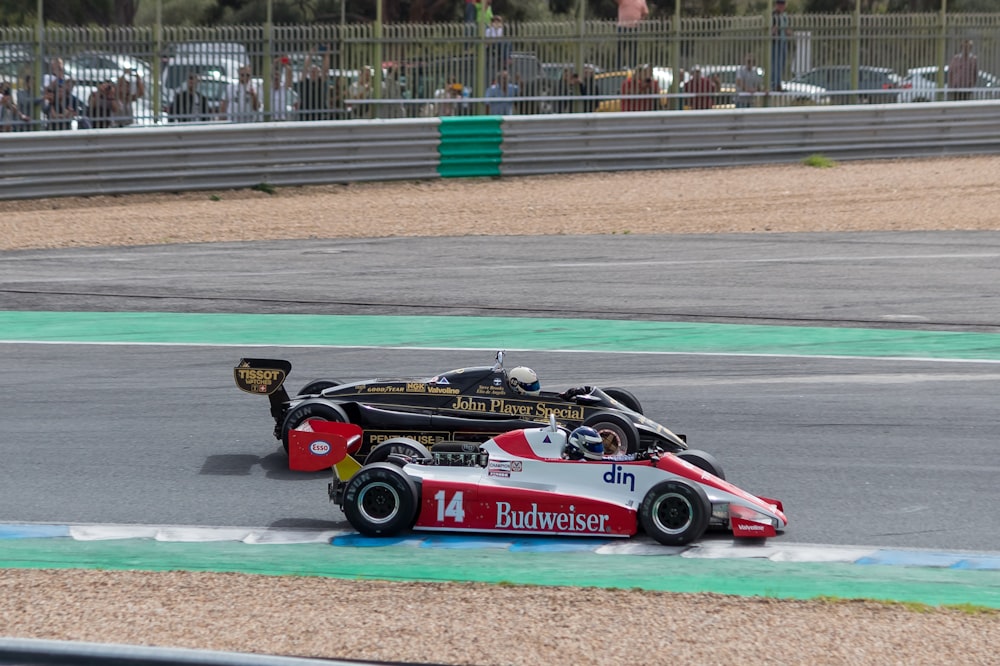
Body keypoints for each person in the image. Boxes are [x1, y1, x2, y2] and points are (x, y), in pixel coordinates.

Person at [295, 49, 332, 121]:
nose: (314, 73)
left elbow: (325, 70)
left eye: (316, 71)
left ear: (319, 73)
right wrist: (310, 55)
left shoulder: (321, 82)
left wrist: (327, 55)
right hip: (305, 114)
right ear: (309, 73)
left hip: (320, 114)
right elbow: (304, 70)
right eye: (312, 71)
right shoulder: (305, 82)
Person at [616, 0, 649, 71]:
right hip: (623, 27)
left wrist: (640, 21)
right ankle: (618, 67)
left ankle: (633, 66)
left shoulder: (641, 1)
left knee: (633, 48)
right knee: (621, 48)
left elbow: (645, 12)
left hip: (634, 28)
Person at [771, 0, 792, 91]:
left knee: (782, 63)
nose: (781, 6)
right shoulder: (773, 15)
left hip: (783, 41)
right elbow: (771, 30)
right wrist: (773, 32)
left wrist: (788, 32)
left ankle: (778, 82)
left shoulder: (784, 16)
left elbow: (786, 28)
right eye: (779, 4)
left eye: (783, 4)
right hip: (776, 42)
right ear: (776, 5)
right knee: (776, 64)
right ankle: (774, 84)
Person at [270, 56, 295, 121]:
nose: (276, 77)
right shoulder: (269, 88)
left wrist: (285, 64)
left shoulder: (283, 87)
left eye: (278, 75)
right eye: (275, 75)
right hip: (270, 118)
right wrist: (275, 62)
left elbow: (289, 75)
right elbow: (268, 72)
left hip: (282, 118)